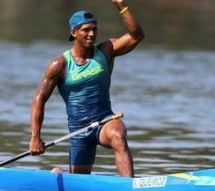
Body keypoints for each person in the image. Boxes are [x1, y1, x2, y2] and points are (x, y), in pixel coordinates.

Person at [29, 0, 144, 177]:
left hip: (104, 121)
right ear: (73, 32)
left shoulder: (106, 50)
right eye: (86, 30)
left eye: (94, 29)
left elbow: (136, 35)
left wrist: (122, 7)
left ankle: (129, 186)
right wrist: (35, 137)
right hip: (78, 131)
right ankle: (56, 174)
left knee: (118, 135)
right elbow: (39, 99)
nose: (92, 34)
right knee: (77, 182)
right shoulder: (59, 64)